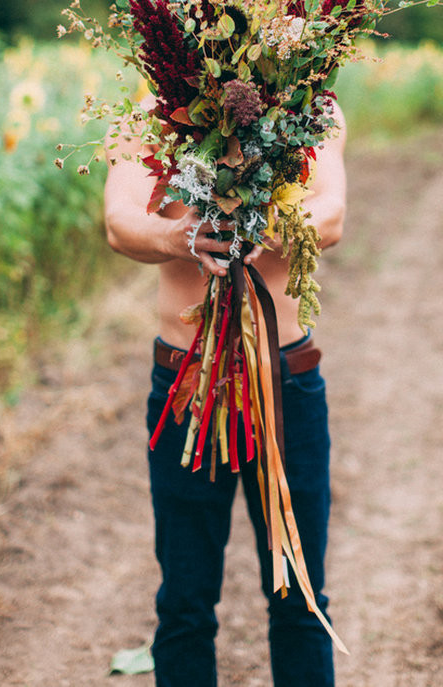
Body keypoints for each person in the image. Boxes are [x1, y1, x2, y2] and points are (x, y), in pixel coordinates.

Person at [103, 103, 347, 687]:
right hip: (186, 382)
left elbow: (332, 216)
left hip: (283, 382)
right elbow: (119, 222)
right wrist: (186, 234)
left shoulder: (311, 102)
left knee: (301, 599)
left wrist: (267, 228)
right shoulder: (150, 111)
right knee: (184, 603)